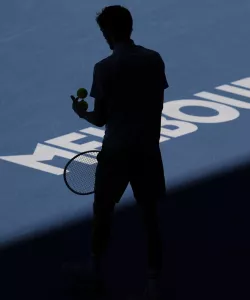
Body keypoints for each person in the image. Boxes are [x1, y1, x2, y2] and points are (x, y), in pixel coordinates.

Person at [70, 5, 168, 299]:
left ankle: (95, 270)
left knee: (103, 213)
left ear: (110, 32)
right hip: (148, 151)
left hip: (116, 154)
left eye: (104, 32)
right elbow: (157, 105)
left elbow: (100, 118)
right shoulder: (154, 59)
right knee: (150, 217)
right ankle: (153, 283)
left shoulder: (105, 68)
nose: (104, 37)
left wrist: (81, 113)